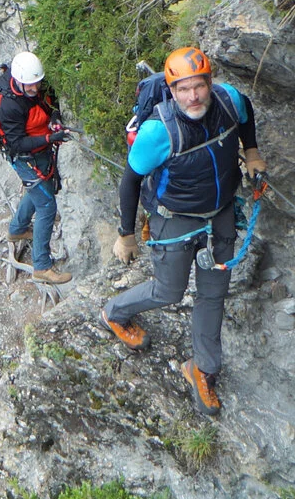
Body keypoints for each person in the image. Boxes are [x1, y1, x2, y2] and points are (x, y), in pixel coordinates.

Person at [101, 46, 267, 416]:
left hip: (220, 213)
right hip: (173, 217)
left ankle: (203, 369)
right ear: (172, 91)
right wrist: (125, 233)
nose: (193, 97)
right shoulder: (158, 132)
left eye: (199, 86)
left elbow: (246, 113)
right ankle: (114, 311)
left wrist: (252, 151)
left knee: (213, 294)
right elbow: (130, 182)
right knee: (168, 290)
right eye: (183, 89)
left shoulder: (228, 101)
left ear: (210, 83)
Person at [0, 51, 72, 285]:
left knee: (39, 191)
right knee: (47, 205)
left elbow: (48, 99)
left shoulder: (34, 83)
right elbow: (16, 142)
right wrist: (49, 138)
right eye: (30, 85)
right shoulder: (8, 106)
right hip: (24, 157)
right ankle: (41, 266)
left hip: (39, 151)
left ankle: (17, 229)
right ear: (18, 80)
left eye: (37, 83)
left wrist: (55, 116)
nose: (35, 88)